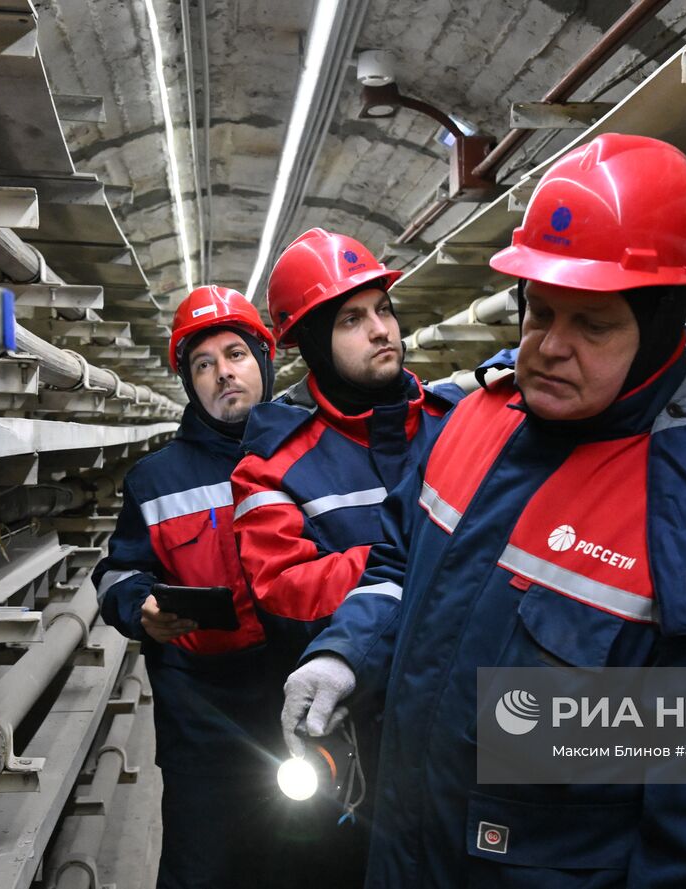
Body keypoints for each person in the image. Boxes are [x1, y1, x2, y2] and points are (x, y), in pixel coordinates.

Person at [282, 134, 686, 888]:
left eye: (593, 324)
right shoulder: (474, 422)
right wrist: (348, 649)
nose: (548, 348)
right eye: (539, 312)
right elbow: (399, 564)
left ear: (661, 324)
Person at [230, 229, 460, 881]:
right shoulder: (272, 466)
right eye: (352, 320)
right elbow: (288, 592)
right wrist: (422, 560)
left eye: (383, 308)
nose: (380, 329)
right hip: (355, 732)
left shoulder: (458, 425)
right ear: (310, 346)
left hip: (463, 718)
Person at [92, 284, 278, 889]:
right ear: (189, 383)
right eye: (203, 364)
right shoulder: (155, 478)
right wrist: (137, 603)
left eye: (236, 354)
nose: (223, 373)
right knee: (204, 868)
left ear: (264, 361)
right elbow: (118, 569)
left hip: (300, 698)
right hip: (204, 718)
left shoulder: (312, 448)